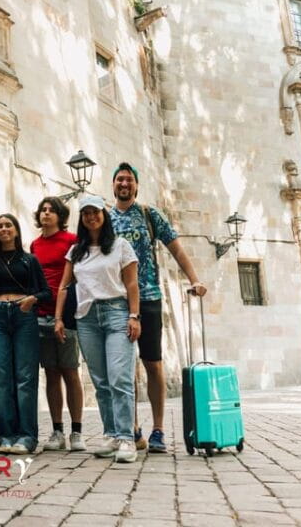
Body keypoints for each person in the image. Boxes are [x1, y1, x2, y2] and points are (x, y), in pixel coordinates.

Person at [109, 162, 206, 453]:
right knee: (125, 368)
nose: (124, 184)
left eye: (129, 180)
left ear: (136, 186)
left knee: (152, 364)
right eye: (119, 180)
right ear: (113, 185)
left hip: (149, 297)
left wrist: (195, 279)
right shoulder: (105, 218)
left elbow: (175, 247)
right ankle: (133, 427)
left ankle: (159, 430)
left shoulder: (150, 215)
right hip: (117, 300)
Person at [55, 195, 141, 463]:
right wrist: (58, 318)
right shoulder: (76, 251)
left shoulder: (120, 246)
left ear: (103, 216)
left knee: (119, 378)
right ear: (81, 219)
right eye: (86, 213)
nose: (91, 217)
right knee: (101, 381)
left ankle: (127, 438)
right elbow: (63, 286)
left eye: (95, 212)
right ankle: (111, 434)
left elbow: (132, 285)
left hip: (117, 313)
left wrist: (134, 316)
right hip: (87, 318)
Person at [0, 213, 51, 454]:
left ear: (16, 231)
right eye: (0, 226)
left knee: (25, 378)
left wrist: (32, 299)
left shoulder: (29, 261)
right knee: (1, 379)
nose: (4, 229)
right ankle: (6, 436)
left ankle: (27, 437)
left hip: (24, 317)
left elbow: (46, 293)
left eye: (8, 225)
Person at [30, 197, 86, 452]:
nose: (46, 214)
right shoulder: (34, 244)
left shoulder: (71, 240)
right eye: (43, 210)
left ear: (60, 216)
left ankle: (77, 431)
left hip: (67, 315)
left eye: (52, 211)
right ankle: (57, 431)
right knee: (51, 373)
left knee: (70, 372)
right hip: (40, 315)